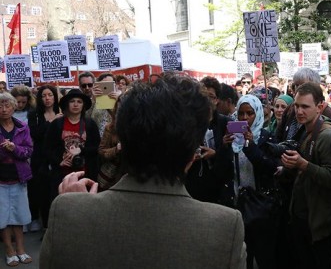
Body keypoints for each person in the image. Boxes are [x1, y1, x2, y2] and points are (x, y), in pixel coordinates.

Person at [40, 75, 246, 269]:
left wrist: (76, 211)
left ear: (124, 141)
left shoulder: (67, 211)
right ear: (192, 157)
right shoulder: (225, 228)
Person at [281, 82, 331, 269]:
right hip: (306, 218)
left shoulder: (326, 135)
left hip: (320, 224)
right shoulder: (305, 128)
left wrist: (303, 164)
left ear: (320, 107)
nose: (299, 111)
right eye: (297, 106)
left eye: (305, 107)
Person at [223, 94, 281, 268]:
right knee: (242, 255)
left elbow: (270, 167)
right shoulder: (232, 139)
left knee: (264, 255)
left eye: (250, 113)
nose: (245, 118)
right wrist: (224, 148)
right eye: (241, 114)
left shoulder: (265, 137)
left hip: (261, 205)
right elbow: (224, 171)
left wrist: (249, 145)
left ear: (258, 114)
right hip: (237, 203)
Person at [185, 77, 235, 207]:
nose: (207, 101)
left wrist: (217, 152)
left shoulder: (226, 123)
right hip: (194, 186)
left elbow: (232, 157)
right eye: (203, 96)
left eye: (211, 96)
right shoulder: (189, 122)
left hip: (218, 188)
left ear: (217, 100)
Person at [44, 89, 101, 200]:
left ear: (83, 105)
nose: (76, 104)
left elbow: (96, 147)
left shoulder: (90, 124)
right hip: (62, 176)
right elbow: (48, 147)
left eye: (79, 102)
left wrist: (81, 150)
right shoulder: (57, 124)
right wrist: (59, 161)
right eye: (72, 101)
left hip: (85, 174)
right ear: (67, 104)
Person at [0, 92, 34, 266]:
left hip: (18, 177)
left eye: (7, 105)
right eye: (0, 106)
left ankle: (21, 249)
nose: (3, 109)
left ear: (14, 107)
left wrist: (15, 148)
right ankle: (9, 250)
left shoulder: (22, 126)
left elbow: (29, 151)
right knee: (2, 217)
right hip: (1, 181)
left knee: (19, 216)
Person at [26, 85, 61, 232]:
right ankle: (45, 225)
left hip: (58, 157)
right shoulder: (34, 115)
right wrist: (53, 122)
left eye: (50, 95)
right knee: (42, 192)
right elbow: (35, 133)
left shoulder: (62, 112)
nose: (47, 98)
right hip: (40, 158)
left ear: (55, 97)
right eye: (44, 95)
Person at [96, 96, 124, 190]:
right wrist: (116, 149)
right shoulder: (110, 128)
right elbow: (101, 151)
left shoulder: (141, 126)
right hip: (113, 176)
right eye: (119, 108)